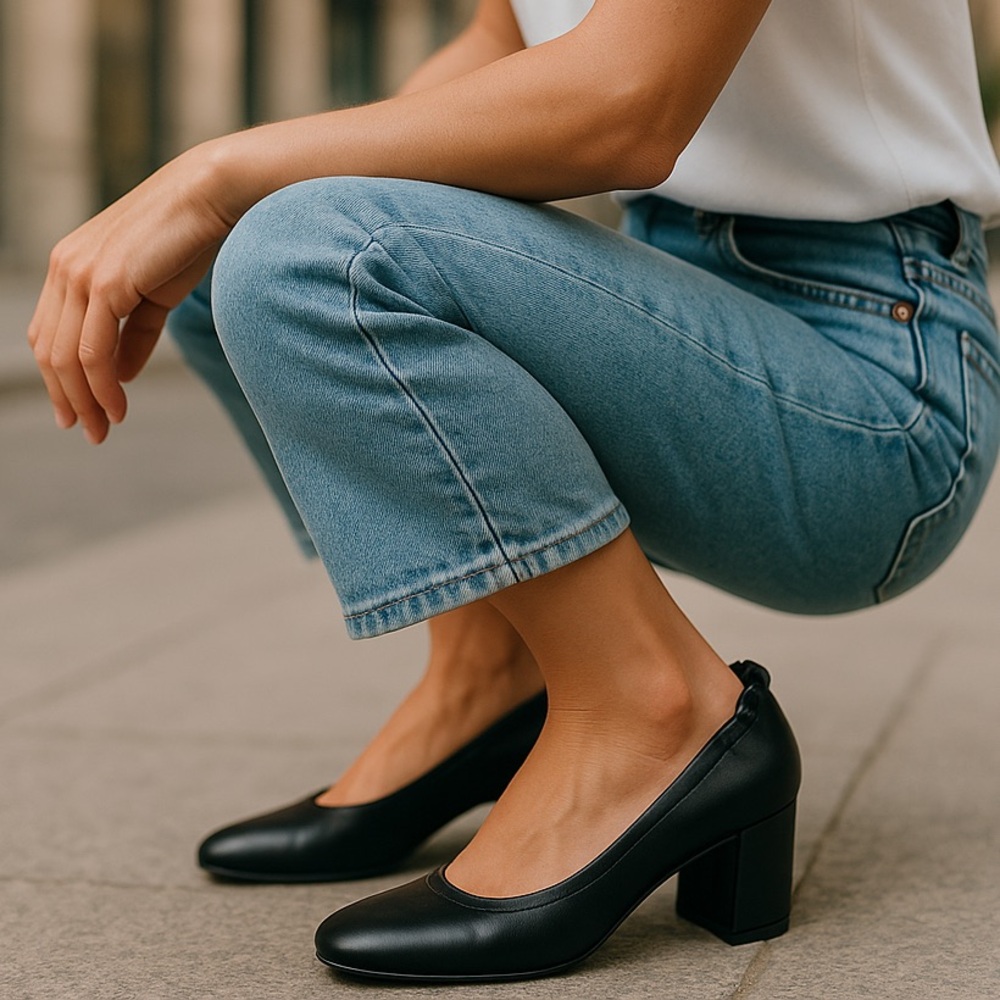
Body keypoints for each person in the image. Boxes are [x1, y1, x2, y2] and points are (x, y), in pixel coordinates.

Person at [27, 0, 1000, 984]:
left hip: (878, 371)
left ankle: (655, 709)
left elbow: (630, 103)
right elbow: (503, 39)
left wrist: (217, 172)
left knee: (302, 247)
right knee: (222, 261)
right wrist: (243, 194)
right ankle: (489, 671)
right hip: (689, 285)